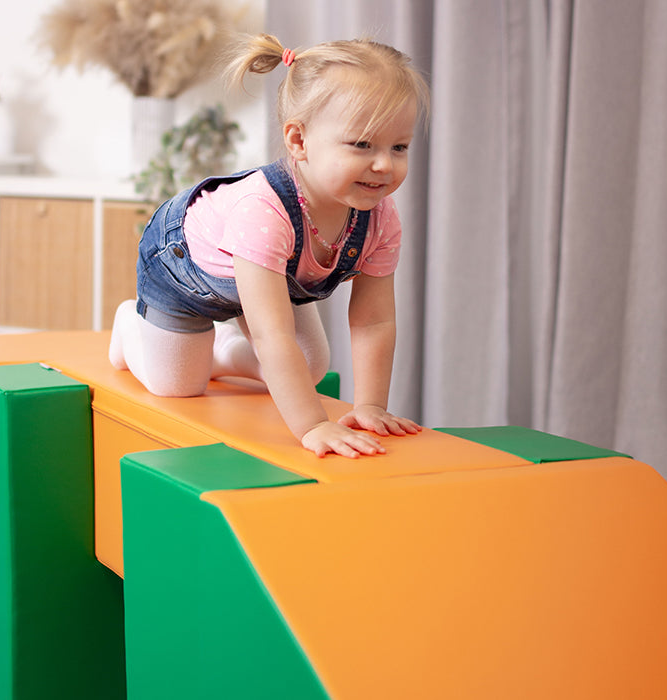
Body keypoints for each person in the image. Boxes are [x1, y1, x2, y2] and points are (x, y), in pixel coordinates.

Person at [109, 33, 430, 458]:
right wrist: (313, 426)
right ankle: (130, 323)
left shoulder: (379, 217)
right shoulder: (263, 212)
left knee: (311, 367)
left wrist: (369, 406)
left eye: (399, 146)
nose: (384, 164)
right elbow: (272, 333)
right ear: (298, 142)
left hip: (265, 283)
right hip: (183, 269)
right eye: (362, 144)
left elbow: (373, 321)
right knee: (177, 386)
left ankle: (221, 352)